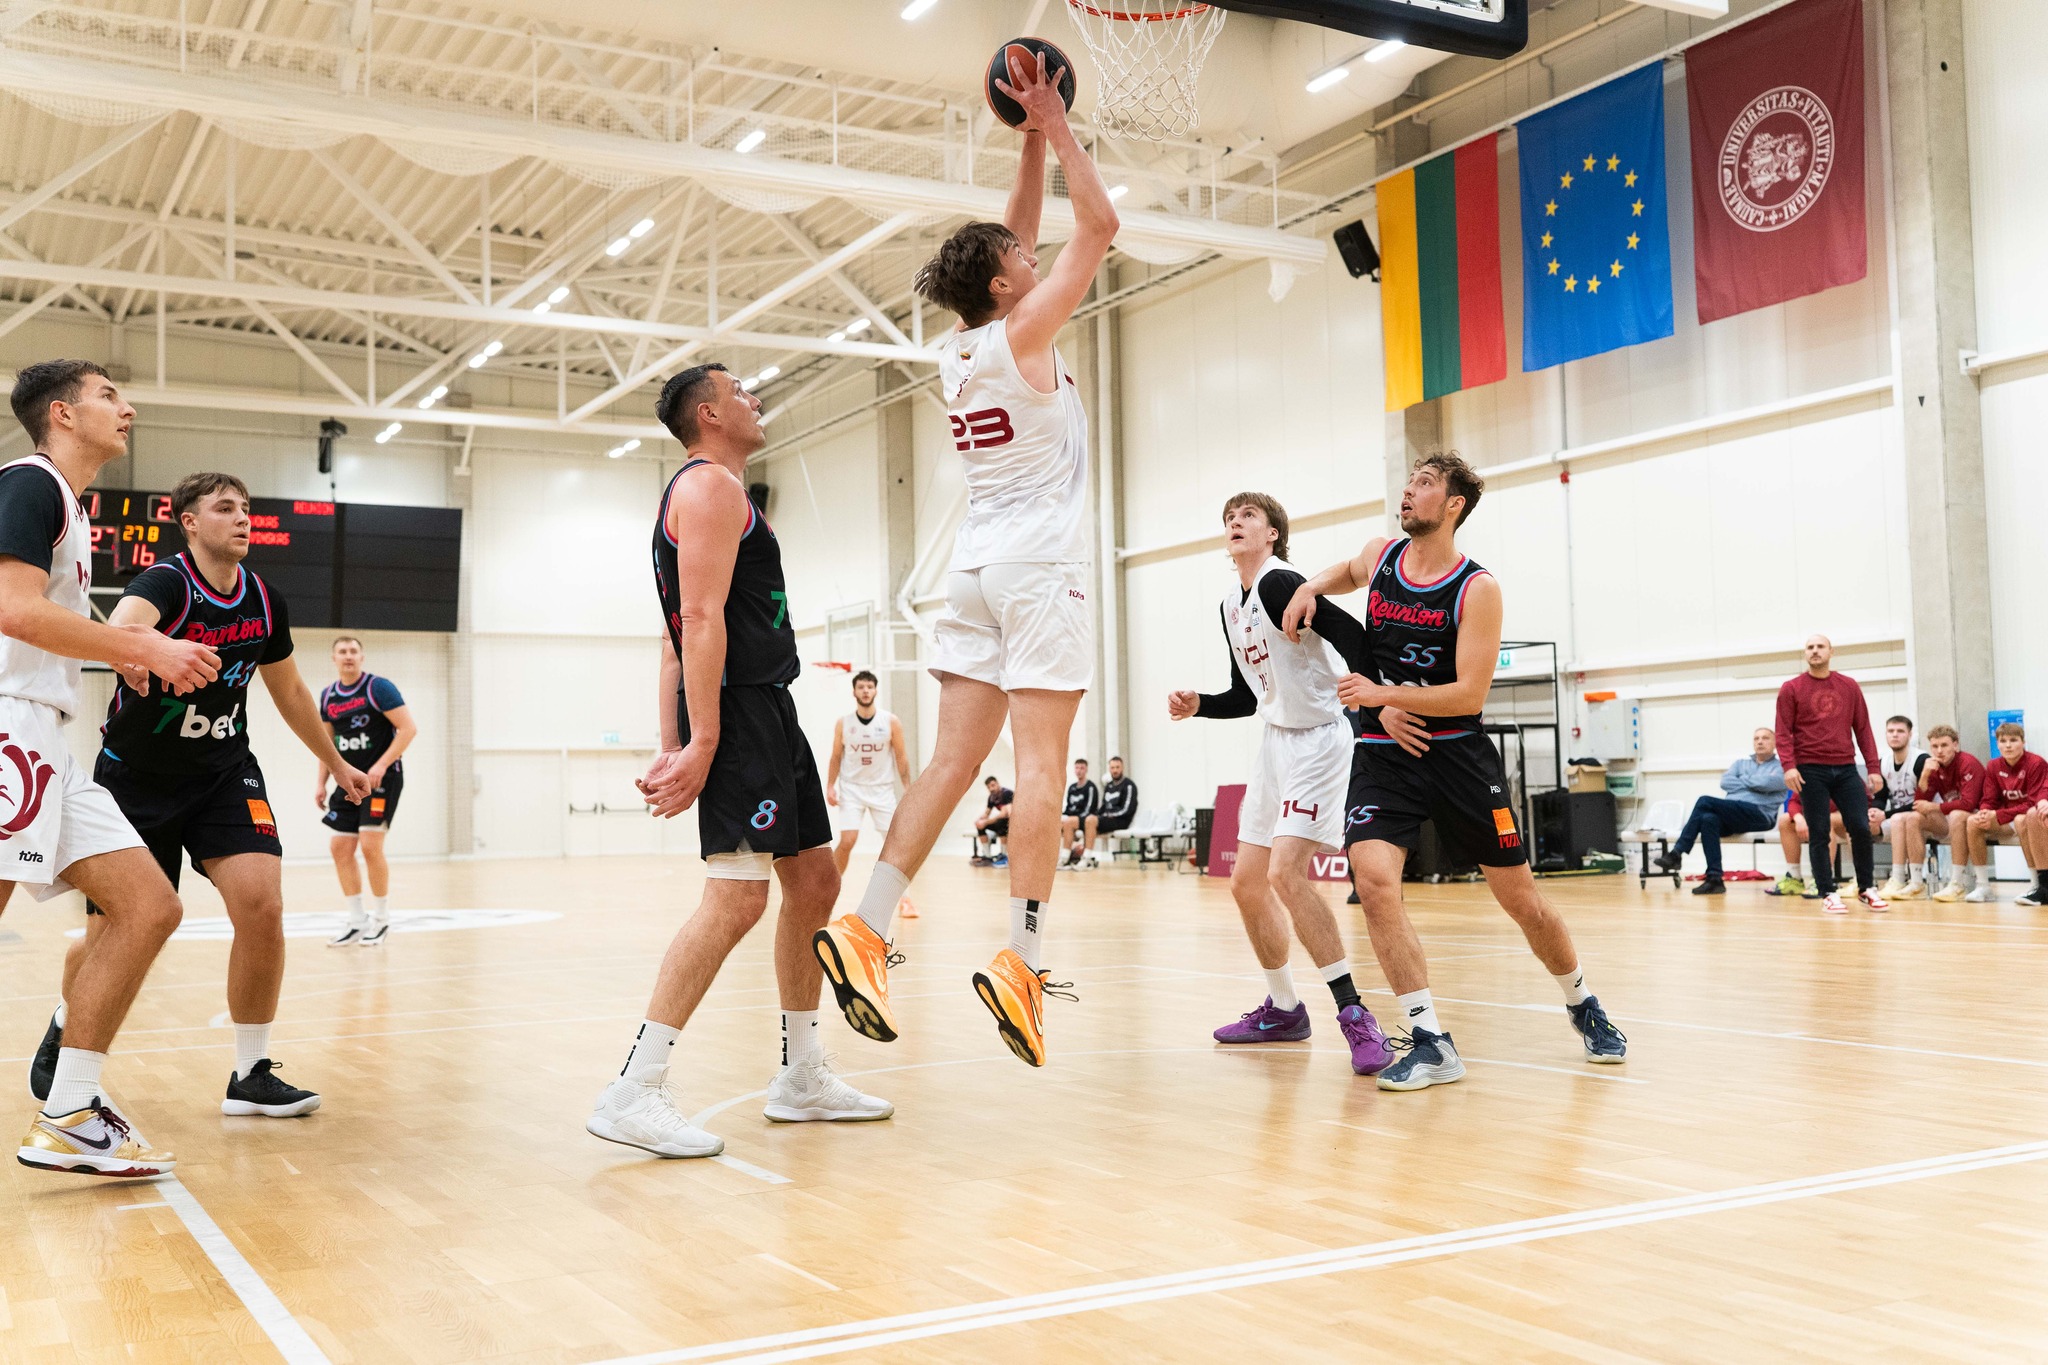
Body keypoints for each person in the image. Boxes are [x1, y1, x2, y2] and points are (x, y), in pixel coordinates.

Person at [813, 47, 1119, 1069]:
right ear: (1003, 285)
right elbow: (1098, 228)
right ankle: (1021, 959)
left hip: (974, 571)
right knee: (1039, 767)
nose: (1033, 257)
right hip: (1038, 569)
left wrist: (1028, 139)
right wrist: (1058, 126)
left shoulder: (958, 348)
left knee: (950, 762)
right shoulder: (1025, 330)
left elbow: (1013, 236)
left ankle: (867, 927)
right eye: (1020, 260)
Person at [587, 363, 890, 1162]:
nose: (757, 400)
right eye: (742, 393)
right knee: (736, 899)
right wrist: (702, 741)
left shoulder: (713, 494)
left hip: (767, 709)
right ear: (710, 414)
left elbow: (671, 639)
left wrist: (673, 738)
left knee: (815, 881)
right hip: (741, 712)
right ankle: (635, 1087)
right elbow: (695, 621)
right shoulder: (709, 487)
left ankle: (801, 1073)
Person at [33, 473, 374, 1120]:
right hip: (137, 779)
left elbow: (291, 692)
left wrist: (336, 764)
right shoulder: (166, 583)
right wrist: (147, 652)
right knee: (110, 935)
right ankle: (65, 1018)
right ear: (189, 522)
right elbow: (125, 628)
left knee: (263, 906)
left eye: (246, 508)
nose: (242, 518)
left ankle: (251, 1072)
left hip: (223, 773)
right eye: (225, 508)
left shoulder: (264, 600)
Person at [1285, 452, 1626, 1092]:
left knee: (1522, 901)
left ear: (1452, 506)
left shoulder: (1477, 588)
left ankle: (1582, 1001)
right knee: (1374, 881)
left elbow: (1469, 694)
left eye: (1424, 484)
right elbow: (1347, 572)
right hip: (1385, 754)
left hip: (1457, 755)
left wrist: (1381, 696)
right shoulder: (1381, 555)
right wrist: (1310, 586)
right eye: (1409, 481)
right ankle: (1431, 1040)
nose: (1408, 492)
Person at [2, 359, 219, 1177]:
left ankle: (70, 1110)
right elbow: (14, 609)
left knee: (149, 906)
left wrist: (120, 652)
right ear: (62, 413)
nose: (126, 408)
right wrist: (141, 645)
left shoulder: (69, 503)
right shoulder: (30, 483)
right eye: (107, 395)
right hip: (10, 727)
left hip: (46, 735)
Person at [1167, 492, 1392, 1074]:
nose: (1235, 523)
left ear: (1272, 533)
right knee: (1247, 883)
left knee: (1285, 874)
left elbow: (1353, 634)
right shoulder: (1230, 603)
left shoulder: (1280, 582)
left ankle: (1355, 1015)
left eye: (1248, 516)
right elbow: (1247, 696)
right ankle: (1285, 1009)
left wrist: (1376, 701)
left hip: (1321, 738)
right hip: (1275, 741)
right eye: (1229, 518)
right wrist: (1200, 704)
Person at [1774, 634, 1887, 914]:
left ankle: (1866, 888)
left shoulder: (1849, 686)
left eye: (1820, 646)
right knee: (1819, 831)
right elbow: (1783, 731)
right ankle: (1827, 892)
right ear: (1805, 654)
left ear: (1831, 652)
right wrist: (1788, 766)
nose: (1815, 651)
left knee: (1860, 826)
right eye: (1810, 647)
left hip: (1846, 767)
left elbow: (1863, 729)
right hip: (1810, 769)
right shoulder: (1791, 688)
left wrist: (1873, 768)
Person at [318, 637, 417, 946]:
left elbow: (408, 729)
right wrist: (321, 782)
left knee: (370, 845)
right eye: (342, 651)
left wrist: (382, 765)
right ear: (334, 658)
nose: (348, 656)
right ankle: (356, 920)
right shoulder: (328, 696)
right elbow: (326, 745)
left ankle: (382, 919)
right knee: (339, 848)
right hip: (348, 782)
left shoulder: (378, 688)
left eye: (353, 651)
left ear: (362, 657)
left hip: (380, 781)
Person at [1653, 727, 1785, 894]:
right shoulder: (1740, 764)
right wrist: (1755, 783)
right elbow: (1725, 782)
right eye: (1756, 738)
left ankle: (1677, 852)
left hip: (1760, 814)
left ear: (1775, 743)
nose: (1760, 741)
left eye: (1765, 738)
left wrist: (1743, 780)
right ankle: (1715, 879)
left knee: (1704, 801)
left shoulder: (1781, 767)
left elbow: (1769, 783)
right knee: (1708, 819)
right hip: (1733, 814)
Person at [825, 670, 911, 888]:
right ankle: (829, 887)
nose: (866, 691)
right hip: (852, 789)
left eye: (870, 687)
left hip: (882, 789)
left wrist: (908, 788)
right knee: (848, 840)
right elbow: (836, 756)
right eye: (861, 687)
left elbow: (901, 757)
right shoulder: (843, 723)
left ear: (875, 691)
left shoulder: (891, 721)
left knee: (894, 844)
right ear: (854, 692)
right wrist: (830, 786)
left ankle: (904, 897)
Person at [1964, 721, 2048, 906]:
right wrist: (1985, 811)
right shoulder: (1993, 765)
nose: (2008, 745)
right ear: (1998, 744)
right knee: (1973, 821)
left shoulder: (2036, 763)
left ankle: (2036, 885)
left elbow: (2033, 803)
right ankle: (1983, 886)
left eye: (2013, 740)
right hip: (2006, 818)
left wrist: (1999, 815)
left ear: (2023, 742)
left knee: (2022, 819)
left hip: (2025, 817)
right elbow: (1989, 797)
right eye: (2003, 741)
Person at [1873, 716, 1931, 898]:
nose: (1895, 735)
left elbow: (1920, 802)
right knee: (1861, 824)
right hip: (1896, 816)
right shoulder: (1883, 762)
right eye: (1891, 731)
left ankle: (1899, 877)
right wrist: (1875, 811)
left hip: (1925, 816)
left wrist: (1886, 814)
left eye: (1900, 731)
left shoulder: (1921, 759)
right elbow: (1880, 797)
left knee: (1898, 819)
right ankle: (1862, 880)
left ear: (1910, 735)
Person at [1767, 794, 1848, 898]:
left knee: (1823, 820)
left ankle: (1823, 879)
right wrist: (1798, 817)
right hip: (1817, 813)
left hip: (1846, 814)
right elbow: (1793, 801)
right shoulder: (1804, 783)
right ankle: (1794, 877)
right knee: (1785, 820)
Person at [1058, 758, 1100, 868]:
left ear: (1086, 770)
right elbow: (1068, 808)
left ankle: (1066, 857)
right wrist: (1062, 816)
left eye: (1082, 768)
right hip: (1070, 819)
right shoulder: (1072, 787)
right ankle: (1059, 856)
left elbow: (1090, 809)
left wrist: (1073, 819)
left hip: (1084, 819)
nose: (1079, 770)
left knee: (1068, 822)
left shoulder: (1090, 787)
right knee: (1055, 822)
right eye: (1077, 768)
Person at [1093, 756, 1138, 852]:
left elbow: (1128, 809)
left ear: (1122, 768)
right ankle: (1070, 854)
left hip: (1121, 820)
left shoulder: (1129, 785)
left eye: (1117, 767)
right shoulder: (1109, 786)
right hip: (1107, 819)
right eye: (1112, 768)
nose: (1115, 770)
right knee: (1083, 821)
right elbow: (1104, 806)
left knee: (1090, 822)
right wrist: (1096, 815)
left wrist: (1110, 815)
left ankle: (1087, 855)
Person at [972, 776, 1012, 866]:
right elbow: (986, 813)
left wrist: (985, 822)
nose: (991, 789)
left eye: (993, 785)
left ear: (997, 783)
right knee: (981, 826)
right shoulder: (991, 797)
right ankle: (987, 856)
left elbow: (1004, 814)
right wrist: (979, 821)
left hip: (1012, 823)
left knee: (1001, 822)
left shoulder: (1006, 793)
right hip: (1003, 822)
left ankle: (1004, 856)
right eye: (989, 787)